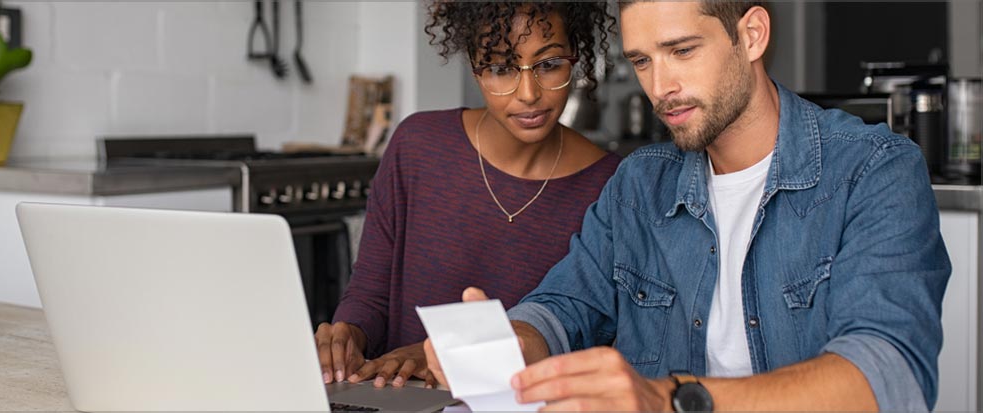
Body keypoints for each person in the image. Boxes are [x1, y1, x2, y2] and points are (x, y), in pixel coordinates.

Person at [425, 1, 951, 411]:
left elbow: (888, 375)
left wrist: (671, 400)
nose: (661, 87)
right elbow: (566, 306)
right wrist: (512, 342)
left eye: (682, 51)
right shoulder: (639, 183)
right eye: (642, 61)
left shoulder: (875, 170)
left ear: (751, 35)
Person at [315, 1, 621, 389]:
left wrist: (445, 356)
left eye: (549, 64)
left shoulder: (611, 185)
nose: (528, 93)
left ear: (575, 57)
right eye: (499, 68)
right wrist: (348, 336)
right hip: (398, 397)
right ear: (474, 66)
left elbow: (587, 336)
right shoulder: (417, 146)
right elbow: (371, 294)